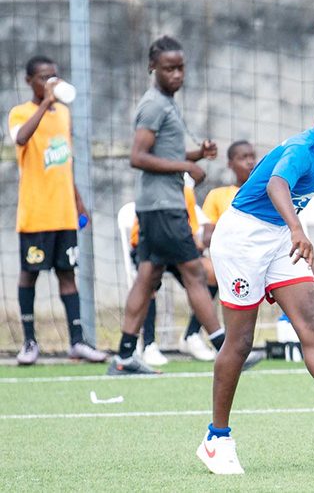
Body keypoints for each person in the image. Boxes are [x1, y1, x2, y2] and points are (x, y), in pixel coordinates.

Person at [197, 82, 314, 475]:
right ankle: (217, 438)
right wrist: (298, 230)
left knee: (313, 325)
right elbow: (276, 183)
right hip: (243, 239)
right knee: (241, 341)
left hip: (278, 238)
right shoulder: (300, 148)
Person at [108, 35, 226, 375]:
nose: (177, 75)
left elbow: (164, 154)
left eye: (181, 68)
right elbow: (138, 156)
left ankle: (125, 355)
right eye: (169, 69)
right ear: (152, 68)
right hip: (163, 205)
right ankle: (226, 346)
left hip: (158, 205)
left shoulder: (166, 102)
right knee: (195, 273)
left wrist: (196, 155)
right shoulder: (154, 105)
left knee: (147, 277)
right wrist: (187, 167)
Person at [8, 55, 106, 365]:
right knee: (29, 276)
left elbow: (66, 163)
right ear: (29, 82)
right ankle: (29, 343)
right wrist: (44, 103)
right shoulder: (20, 113)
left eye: (54, 76)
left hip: (63, 213)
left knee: (67, 275)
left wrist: (78, 202)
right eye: (43, 78)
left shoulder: (63, 114)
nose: (50, 82)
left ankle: (78, 342)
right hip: (35, 215)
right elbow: (21, 138)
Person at [128, 183, 216, 365]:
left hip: (178, 247)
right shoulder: (151, 189)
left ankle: (192, 336)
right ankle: (148, 345)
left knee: (211, 273)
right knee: (149, 279)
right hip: (150, 244)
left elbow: (194, 232)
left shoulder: (186, 191)